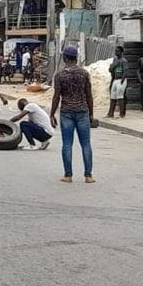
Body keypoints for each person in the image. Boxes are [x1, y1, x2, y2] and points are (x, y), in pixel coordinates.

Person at [51, 45, 95, 183]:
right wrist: (91, 114)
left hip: (67, 112)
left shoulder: (59, 75)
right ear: (76, 58)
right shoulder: (84, 74)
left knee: (67, 144)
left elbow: (56, 96)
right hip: (82, 111)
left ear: (64, 58)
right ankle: (88, 176)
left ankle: (68, 175)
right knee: (86, 144)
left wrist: (51, 114)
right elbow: (89, 96)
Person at [106, 46, 128, 118]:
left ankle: (121, 114)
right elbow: (110, 69)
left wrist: (122, 80)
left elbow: (125, 71)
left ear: (121, 52)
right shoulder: (115, 60)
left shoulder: (124, 61)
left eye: (118, 51)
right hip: (115, 79)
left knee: (120, 96)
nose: (116, 52)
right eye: (115, 51)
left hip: (121, 80)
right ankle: (111, 113)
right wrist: (114, 65)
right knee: (113, 97)